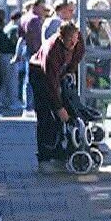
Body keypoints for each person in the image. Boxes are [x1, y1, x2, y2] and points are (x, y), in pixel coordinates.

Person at [29, 20, 85, 174]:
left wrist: (70, 70)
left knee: (69, 108)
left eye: (75, 39)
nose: (73, 43)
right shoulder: (52, 50)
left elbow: (78, 55)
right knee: (46, 114)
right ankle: (45, 154)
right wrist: (58, 108)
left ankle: (62, 148)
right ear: (61, 38)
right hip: (40, 73)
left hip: (60, 71)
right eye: (69, 41)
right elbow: (50, 82)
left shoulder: (78, 41)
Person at [17, 0, 49, 117]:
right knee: (33, 80)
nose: (43, 10)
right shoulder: (34, 20)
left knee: (27, 79)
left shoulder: (24, 18)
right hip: (34, 51)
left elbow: (20, 36)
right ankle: (30, 106)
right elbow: (37, 39)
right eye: (41, 7)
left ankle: (27, 106)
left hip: (26, 49)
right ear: (35, 7)